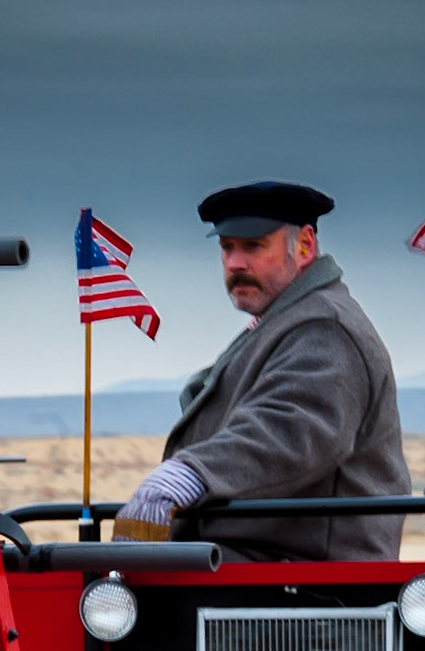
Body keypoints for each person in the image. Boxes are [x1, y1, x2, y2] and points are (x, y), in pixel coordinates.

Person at [114, 180, 408, 560]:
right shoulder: (284, 322)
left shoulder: (324, 327)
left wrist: (187, 475)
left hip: (306, 578)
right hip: (255, 561)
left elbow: (289, 430)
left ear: (304, 246)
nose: (235, 263)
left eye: (253, 246)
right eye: (227, 248)